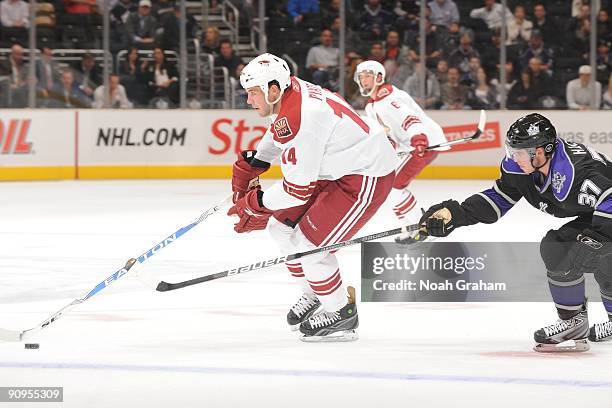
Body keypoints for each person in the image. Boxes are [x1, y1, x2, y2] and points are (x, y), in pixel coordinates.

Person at [229, 53, 397, 341]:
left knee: (312, 248)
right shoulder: (289, 90)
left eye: (252, 93)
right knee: (280, 228)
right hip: (339, 167)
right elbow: (278, 127)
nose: (248, 101)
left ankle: (342, 313)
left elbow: (297, 189)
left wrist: (255, 205)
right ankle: (315, 292)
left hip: (365, 175)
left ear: (272, 89)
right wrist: (258, 160)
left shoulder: (302, 116)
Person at [418, 113, 612, 351]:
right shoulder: (523, 167)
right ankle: (572, 323)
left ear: (540, 151)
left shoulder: (577, 172)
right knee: (558, 248)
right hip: (596, 212)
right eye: (512, 150)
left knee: (598, 256)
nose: (513, 157)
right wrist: (454, 214)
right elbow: (499, 199)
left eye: (519, 151)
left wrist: (601, 240)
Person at [354, 60, 448, 243]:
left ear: (379, 78)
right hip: (411, 146)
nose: (363, 80)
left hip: (421, 144)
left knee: (394, 188)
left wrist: (419, 138)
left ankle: (423, 229)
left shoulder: (389, 97)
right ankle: (410, 228)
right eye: (361, 77)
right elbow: (388, 135)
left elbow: (409, 118)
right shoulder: (371, 106)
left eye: (367, 76)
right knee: (388, 188)